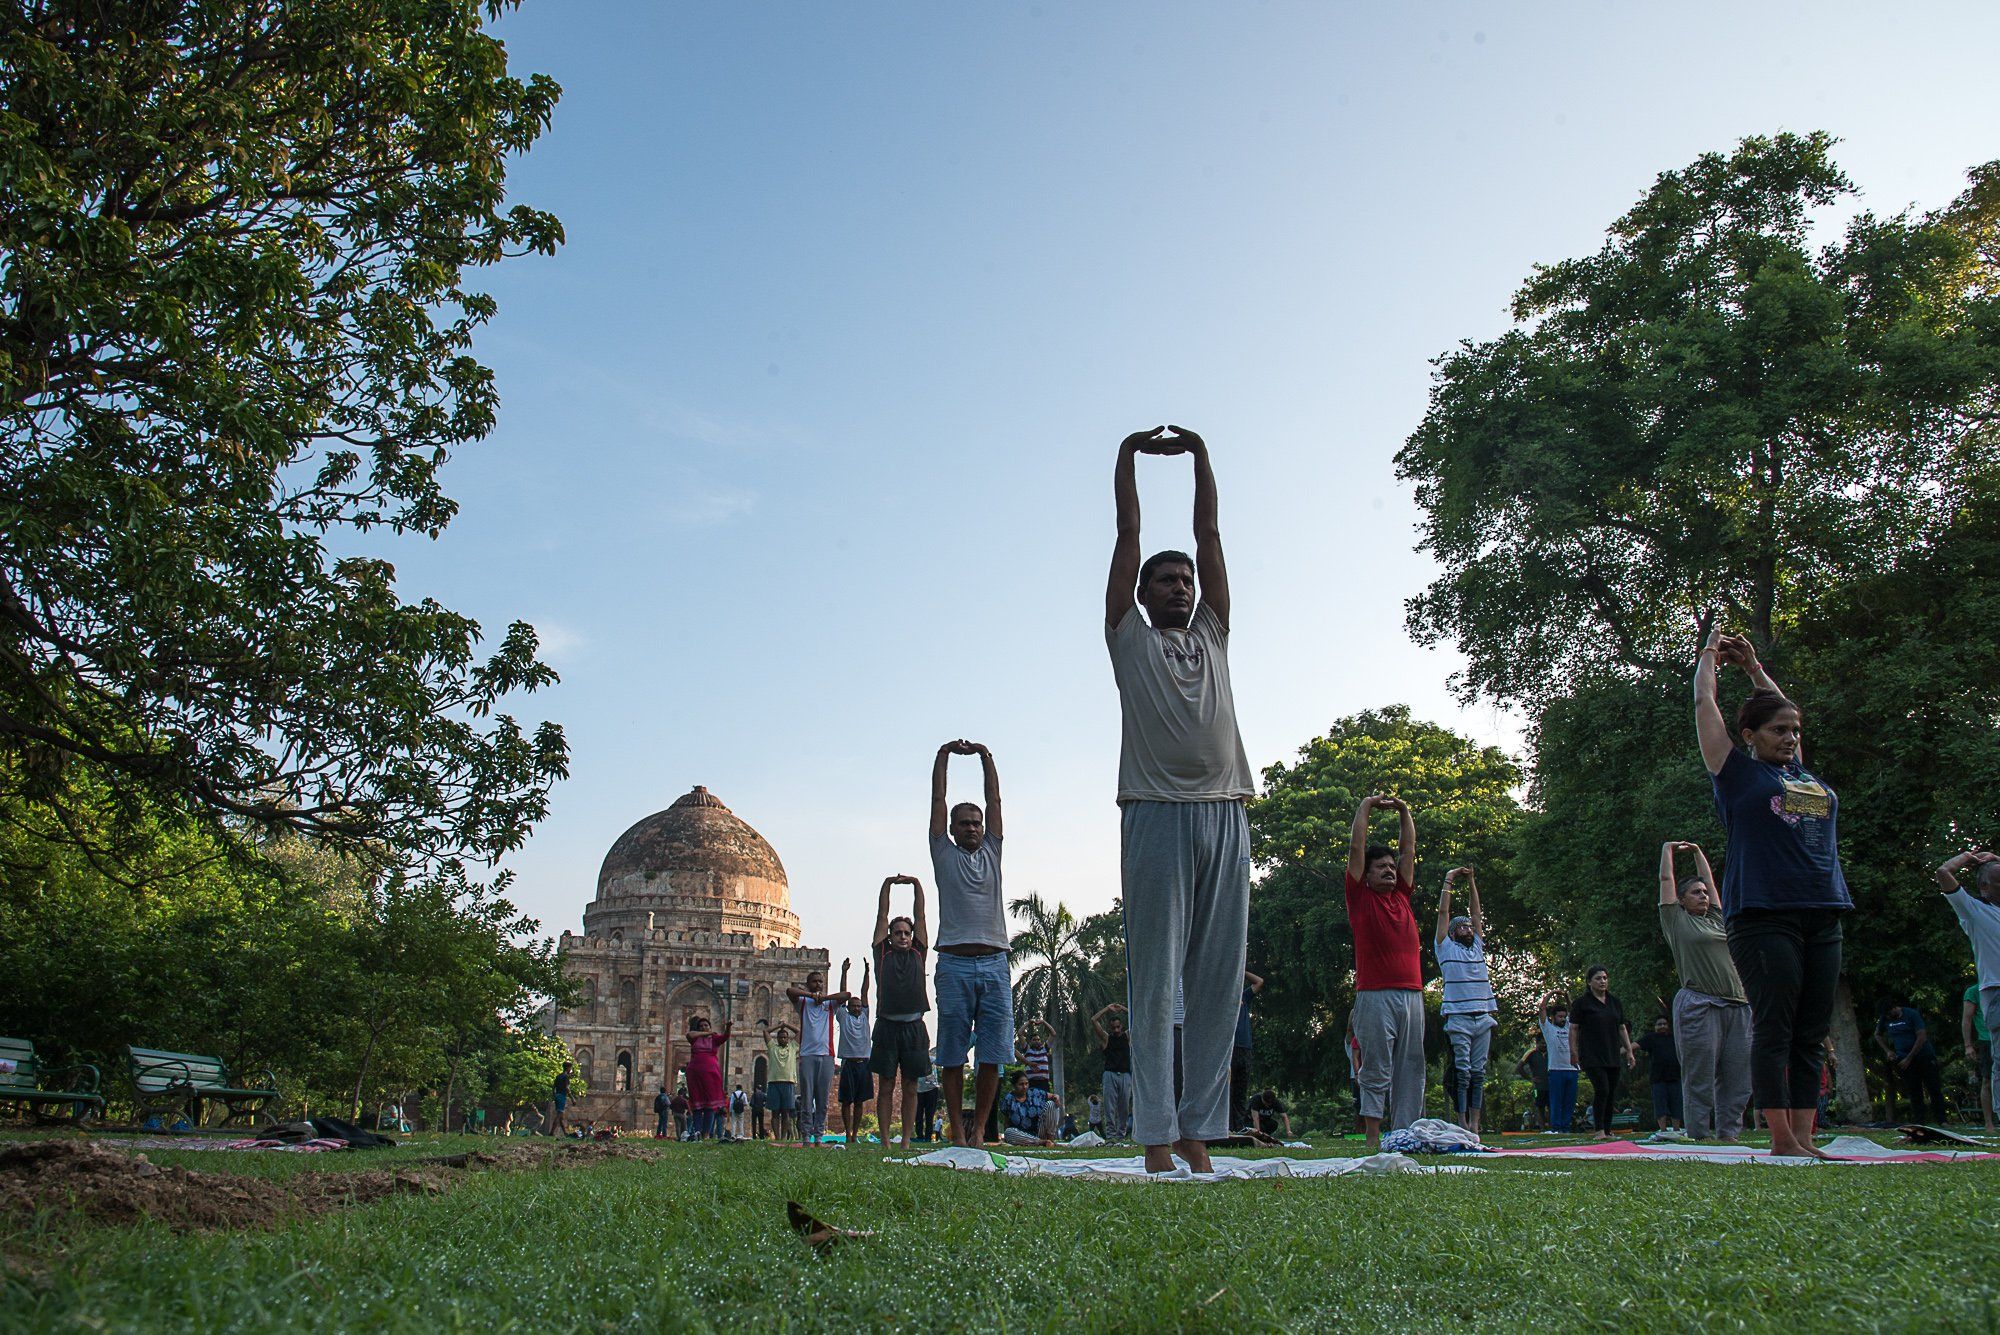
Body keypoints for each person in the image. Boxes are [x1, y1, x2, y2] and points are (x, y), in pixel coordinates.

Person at [1105, 425, 1253, 1176]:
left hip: (1227, 809)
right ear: (1143, 593)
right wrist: (1128, 456)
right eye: (1166, 580)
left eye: (1186, 581)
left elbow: (1211, 535)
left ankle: (1200, 1130)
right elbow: (1128, 534)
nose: (1180, 587)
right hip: (1155, 810)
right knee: (1157, 979)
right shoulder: (1129, 637)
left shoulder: (1214, 635)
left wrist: (1201, 457)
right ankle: (1156, 1136)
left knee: (1219, 980)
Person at [1696, 629, 1852, 1158]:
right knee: (1775, 1025)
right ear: (1750, 735)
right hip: (1763, 913)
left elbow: (1784, 712)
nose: (1789, 737)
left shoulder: (1801, 775)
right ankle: (1781, 1138)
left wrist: (1755, 668)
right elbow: (1704, 704)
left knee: (1811, 1029)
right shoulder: (1736, 773)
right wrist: (1710, 654)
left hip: (1823, 910)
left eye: (1794, 731)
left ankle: (1805, 1136)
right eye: (1778, 730)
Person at [930, 739, 1014, 1147]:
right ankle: (957, 1130)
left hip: (995, 963)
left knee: (992, 1054)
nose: (972, 828)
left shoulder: (993, 850)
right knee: (951, 1053)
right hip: (955, 964)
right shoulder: (943, 853)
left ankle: (980, 1128)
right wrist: (943, 756)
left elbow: (994, 799)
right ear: (951, 829)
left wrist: (986, 757)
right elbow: (938, 799)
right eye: (964, 823)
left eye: (976, 822)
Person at [1657, 840, 1752, 1141]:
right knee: (1699, 1075)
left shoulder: (1716, 918)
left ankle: (1729, 1136)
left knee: (1738, 1077)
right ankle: (1699, 1134)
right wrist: (1668, 850)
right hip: (1700, 1004)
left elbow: (1711, 882)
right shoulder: (1676, 921)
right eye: (1695, 893)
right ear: (1681, 900)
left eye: (1704, 892)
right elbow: (1666, 880)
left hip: (1738, 1005)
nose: (1703, 895)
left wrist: (1698, 853)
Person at [1345, 794, 1425, 1150]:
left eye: (1392, 866)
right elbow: (1356, 847)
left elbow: (1408, 850)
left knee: (1411, 1067)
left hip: (1413, 994)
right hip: (1374, 994)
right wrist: (1366, 805)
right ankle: (1373, 1137)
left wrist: (1404, 810)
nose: (1390, 870)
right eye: (1381, 867)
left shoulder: (1402, 895)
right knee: (1376, 1067)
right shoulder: (1359, 897)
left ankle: (1406, 1133)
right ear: (1367, 875)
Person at [1937, 851, 2000, 1131]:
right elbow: (1943, 873)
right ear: (1985, 887)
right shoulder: (1973, 911)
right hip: (1996, 991)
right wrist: (1968, 857)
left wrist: (1995, 859)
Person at [1434, 866, 1498, 1136]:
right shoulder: (1445, 947)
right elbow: (1443, 913)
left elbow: (1477, 912)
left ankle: (1475, 1123)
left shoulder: (1478, 946)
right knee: (1462, 1072)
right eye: (1461, 926)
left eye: (1470, 926)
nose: (1468, 928)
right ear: (1452, 932)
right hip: (1458, 1017)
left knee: (1478, 1072)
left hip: (1483, 1015)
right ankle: (1461, 1122)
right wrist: (1449, 879)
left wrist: (1472, 880)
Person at [870, 874, 932, 1152]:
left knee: (910, 1086)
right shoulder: (882, 952)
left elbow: (921, 916)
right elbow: (882, 915)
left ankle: (906, 1141)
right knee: (886, 1085)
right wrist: (887, 884)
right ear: (890, 936)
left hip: (914, 1027)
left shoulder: (919, 951)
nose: (903, 937)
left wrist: (916, 884)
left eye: (907, 933)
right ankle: (885, 1141)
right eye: (898, 933)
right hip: (887, 1027)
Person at [1568, 967, 1635, 1139]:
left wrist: (1629, 1051)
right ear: (1589, 982)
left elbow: (1622, 1028)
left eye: (1605, 978)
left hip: (1612, 1052)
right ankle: (1598, 1130)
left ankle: (1607, 1129)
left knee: (1611, 1091)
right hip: (1591, 1054)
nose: (1602, 981)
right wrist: (1573, 1052)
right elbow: (1574, 1029)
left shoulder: (1614, 1002)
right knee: (1602, 1089)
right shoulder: (1582, 1003)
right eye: (1598, 978)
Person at [786, 966, 850, 1145]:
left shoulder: (830, 1005)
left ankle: (819, 1135)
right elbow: (790, 991)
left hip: (826, 1055)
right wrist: (811, 995)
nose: (818, 984)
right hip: (807, 1054)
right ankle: (806, 1135)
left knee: (823, 1100)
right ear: (808, 984)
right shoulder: (803, 1003)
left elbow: (846, 995)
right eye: (814, 981)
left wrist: (824, 998)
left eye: (820, 981)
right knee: (807, 1098)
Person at [1874, 1003, 1944, 1125]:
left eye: (1889, 1014)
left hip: (1923, 1056)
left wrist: (1909, 1058)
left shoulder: (1911, 1014)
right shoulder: (1885, 1018)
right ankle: (1919, 1121)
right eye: (1886, 1016)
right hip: (1903, 1059)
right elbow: (1877, 1035)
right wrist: (1888, 1051)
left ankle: (1942, 1120)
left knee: (1933, 1088)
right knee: (1914, 1090)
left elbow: (1921, 1036)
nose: (1888, 1017)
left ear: (1894, 1008)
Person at [835, 959, 874, 1147]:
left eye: (859, 1005)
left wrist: (867, 972)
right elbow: (843, 994)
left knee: (859, 1102)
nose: (857, 1008)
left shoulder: (865, 1016)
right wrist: (844, 972)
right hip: (848, 1063)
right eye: (854, 1006)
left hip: (864, 1063)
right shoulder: (843, 1016)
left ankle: (855, 1134)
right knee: (846, 1101)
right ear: (848, 1007)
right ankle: (847, 1133)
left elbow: (865, 992)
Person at [680, 1013, 731, 1141]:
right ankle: (698, 1132)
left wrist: (728, 1027)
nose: (703, 1027)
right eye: (701, 1026)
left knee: (709, 1105)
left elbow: (725, 1037)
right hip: (695, 1075)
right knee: (697, 1105)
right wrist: (706, 1033)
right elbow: (689, 1035)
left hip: (711, 1075)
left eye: (706, 1025)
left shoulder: (714, 1039)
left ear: (710, 1026)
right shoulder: (695, 1038)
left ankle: (706, 1134)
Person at [1091, 1003, 1132, 1141]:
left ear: (1122, 1026)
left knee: (1124, 1107)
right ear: (1110, 1028)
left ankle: (1121, 1135)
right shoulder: (1106, 1038)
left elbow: (1138, 1018)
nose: (1116, 1030)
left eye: (1118, 1027)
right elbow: (1094, 1020)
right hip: (1110, 1074)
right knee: (1109, 1107)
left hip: (1125, 1074)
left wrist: (1124, 1009)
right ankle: (1110, 1135)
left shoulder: (1127, 1037)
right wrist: (1107, 1009)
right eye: (1113, 1027)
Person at [1538, 996, 1579, 1134]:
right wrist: (1551, 994)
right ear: (1553, 1017)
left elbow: (1574, 1011)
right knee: (1556, 1101)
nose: (1562, 1019)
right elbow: (1542, 1009)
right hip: (1556, 1070)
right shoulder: (1548, 1029)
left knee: (1569, 1101)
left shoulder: (1569, 1027)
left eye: (1564, 1016)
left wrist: (1567, 998)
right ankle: (1556, 1128)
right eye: (1559, 1016)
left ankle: (1566, 1127)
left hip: (1572, 1069)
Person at [1636, 1016, 1683, 1132]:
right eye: (1659, 1024)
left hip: (1675, 1077)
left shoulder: (1675, 1037)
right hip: (1658, 1078)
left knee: (1676, 1105)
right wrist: (1617, 1052)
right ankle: (1663, 1130)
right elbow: (1634, 1045)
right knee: (1660, 1106)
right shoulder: (1651, 1038)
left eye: (1664, 1024)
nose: (1662, 1026)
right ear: (1655, 1026)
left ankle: (1676, 1130)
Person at [1232, 971, 1264, 1130]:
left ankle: (1238, 1127)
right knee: (1227, 1090)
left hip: (1245, 1048)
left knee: (1241, 1090)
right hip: (1229, 1048)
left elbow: (1259, 981)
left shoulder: (1244, 996)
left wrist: (1241, 969)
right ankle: (1225, 1126)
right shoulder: (1222, 998)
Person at [760, 1022, 799, 1141]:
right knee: (775, 1113)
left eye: (785, 1037)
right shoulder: (772, 1047)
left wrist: (786, 1025)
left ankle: (783, 1138)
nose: (783, 1039)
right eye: (780, 1037)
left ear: (788, 1039)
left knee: (786, 1113)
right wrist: (779, 1026)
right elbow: (766, 1032)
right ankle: (777, 1137)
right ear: (777, 1039)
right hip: (774, 1083)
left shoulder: (792, 1047)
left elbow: (799, 1032)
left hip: (788, 1083)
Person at [1965, 984, 1995, 1133]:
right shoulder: (1973, 992)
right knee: (1987, 1080)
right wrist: (1968, 1045)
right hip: (1987, 1040)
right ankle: (1988, 1123)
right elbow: (1967, 1019)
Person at [999, 1072, 1059, 1146]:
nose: (1024, 1087)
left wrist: (1056, 1098)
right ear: (1014, 1085)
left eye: (1026, 1083)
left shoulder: (1035, 1092)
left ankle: (1050, 1140)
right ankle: (1042, 1142)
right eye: (1021, 1084)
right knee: (1008, 1132)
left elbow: (1053, 1096)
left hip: (1040, 1131)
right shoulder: (1009, 1099)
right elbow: (1006, 1122)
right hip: (1022, 1135)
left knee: (1051, 1104)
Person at [1515, 1035, 1549, 1131]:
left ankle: (1552, 1128)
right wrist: (1530, 1078)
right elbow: (1519, 1067)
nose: (1544, 1045)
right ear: (1537, 1043)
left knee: (1551, 1106)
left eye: (1545, 1043)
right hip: (1538, 1087)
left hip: (1551, 1085)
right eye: (1542, 1043)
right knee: (1539, 1107)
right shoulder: (1531, 1053)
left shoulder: (1550, 1052)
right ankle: (1542, 1129)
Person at [1017, 1018, 1056, 1093]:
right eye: (1034, 1040)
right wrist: (1029, 1022)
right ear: (1030, 1041)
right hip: (1031, 1083)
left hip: (1044, 1083)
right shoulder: (1027, 1050)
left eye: (1038, 1040)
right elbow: (1020, 1034)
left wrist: (1043, 1022)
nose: (1037, 1041)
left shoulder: (1045, 1049)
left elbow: (1053, 1034)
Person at [915, 1057, 941, 1142]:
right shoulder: (916, 1057)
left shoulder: (932, 1059)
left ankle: (928, 1136)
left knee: (930, 1115)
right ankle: (919, 1135)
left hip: (932, 1088)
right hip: (918, 1089)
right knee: (918, 1114)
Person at [550, 1062, 573, 1137]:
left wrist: (554, 1096)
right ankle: (551, 1132)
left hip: (557, 1096)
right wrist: (572, 1098)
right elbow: (567, 1088)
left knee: (561, 1117)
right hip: (562, 1096)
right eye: (570, 1068)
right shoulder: (565, 1076)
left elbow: (553, 1087)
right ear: (568, 1068)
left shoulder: (558, 1076)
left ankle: (565, 1133)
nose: (570, 1069)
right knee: (559, 1115)